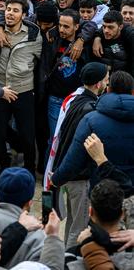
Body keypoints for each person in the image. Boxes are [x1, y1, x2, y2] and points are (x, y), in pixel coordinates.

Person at [48, 62, 109, 247]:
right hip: (79, 178)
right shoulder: (90, 108)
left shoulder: (76, 100)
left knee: (72, 226)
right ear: (98, 84)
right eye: (106, 79)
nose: (108, 83)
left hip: (69, 175)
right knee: (79, 229)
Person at [51, 71, 134, 188]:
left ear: (108, 90)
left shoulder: (90, 120)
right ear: (132, 92)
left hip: (102, 192)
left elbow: (74, 159)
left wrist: (56, 179)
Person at [0, 0, 42, 175]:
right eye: (8, 9)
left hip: (23, 90)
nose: (10, 14)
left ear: (24, 15)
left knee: (28, 135)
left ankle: (29, 169)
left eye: (15, 10)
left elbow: (40, 60)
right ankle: (4, 166)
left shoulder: (34, 35)